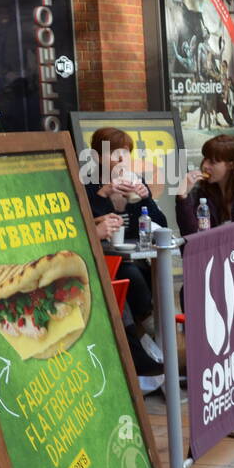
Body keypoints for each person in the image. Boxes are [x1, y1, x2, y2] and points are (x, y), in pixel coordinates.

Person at [82, 127, 166, 385]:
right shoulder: (87, 186)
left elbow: (160, 225)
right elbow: (84, 226)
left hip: (133, 259)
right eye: (113, 154)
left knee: (143, 275)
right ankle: (146, 337)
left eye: (125, 154)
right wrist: (104, 194)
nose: (120, 160)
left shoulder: (134, 182)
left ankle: (154, 340)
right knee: (128, 275)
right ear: (97, 158)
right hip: (102, 265)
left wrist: (146, 199)